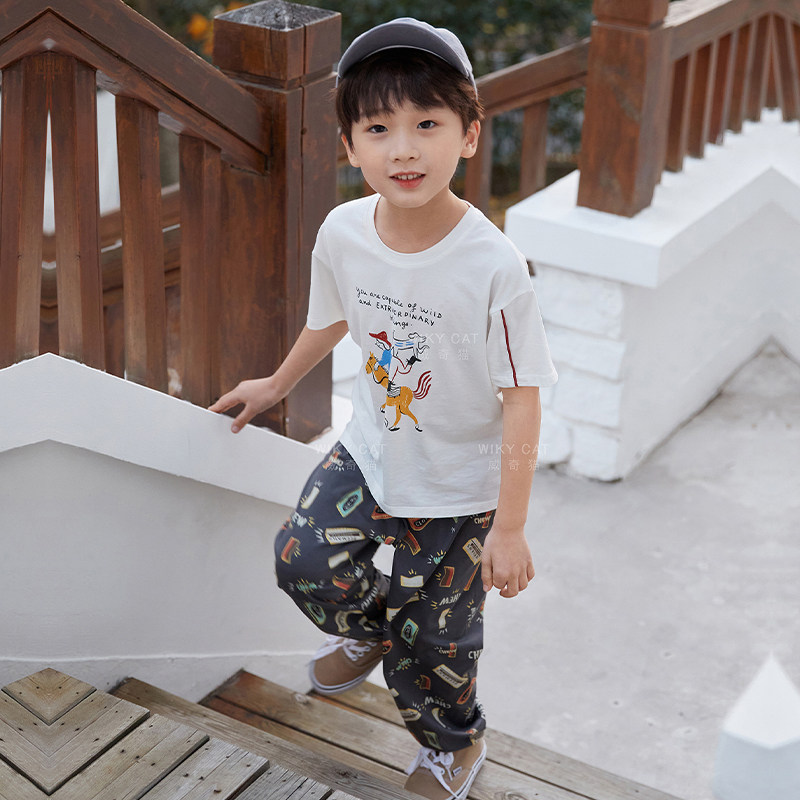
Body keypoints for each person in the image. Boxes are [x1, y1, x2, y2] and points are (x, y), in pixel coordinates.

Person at [209, 17, 558, 800]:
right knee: (303, 563)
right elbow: (333, 318)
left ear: (469, 136)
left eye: (427, 124)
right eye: (378, 129)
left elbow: (522, 398)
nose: (404, 149)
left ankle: (455, 745)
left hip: (460, 491)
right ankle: (372, 634)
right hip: (373, 452)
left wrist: (509, 527)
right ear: (349, 146)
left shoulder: (495, 266)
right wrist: (276, 383)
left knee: (435, 643)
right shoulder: (343, 231)